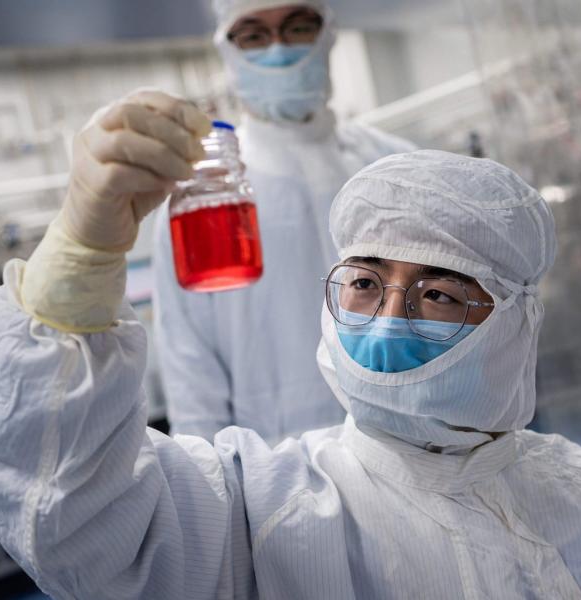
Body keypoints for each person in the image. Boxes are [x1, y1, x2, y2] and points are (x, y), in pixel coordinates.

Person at [0, 92, 581, 598]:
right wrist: (77, 263)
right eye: (365, 282)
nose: (388, 317)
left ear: (515, 320)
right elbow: (69, 516)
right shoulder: (252, 510)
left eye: (441, 291)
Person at [152, 0, 415, 443]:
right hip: (276, 473)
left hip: (409, 448)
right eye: (254, 35)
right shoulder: (202, 199)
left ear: (327, 33)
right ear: (229, 49)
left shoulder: (398, 167)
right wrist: (216, 493)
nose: (279, 50)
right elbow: (190, 369)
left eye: (297, 27)